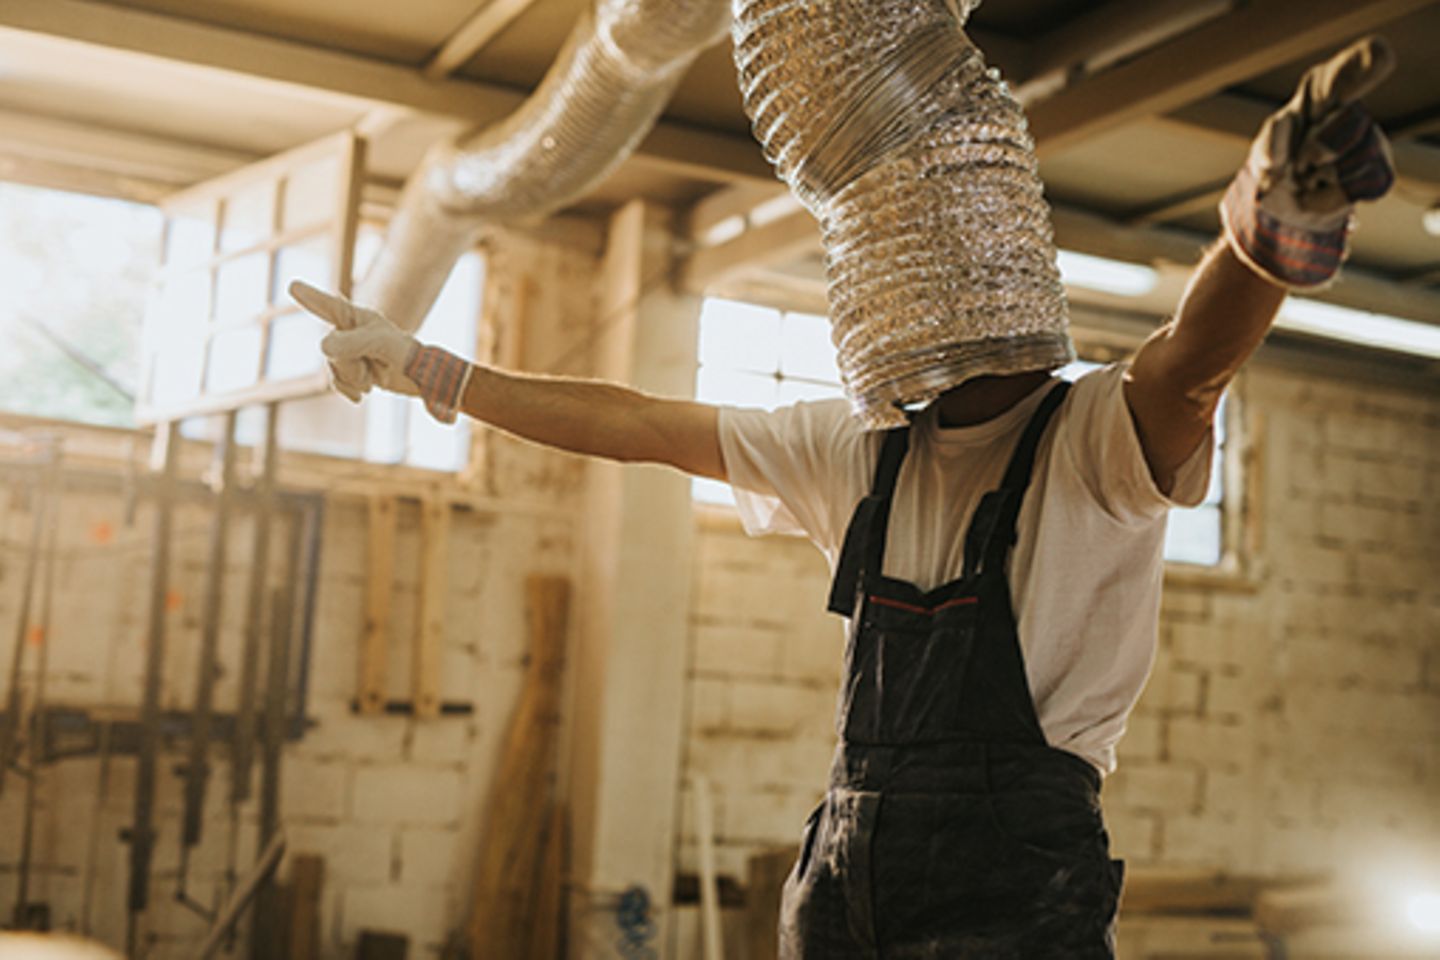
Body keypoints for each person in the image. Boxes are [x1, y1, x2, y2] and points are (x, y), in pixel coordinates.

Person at [291, 36, 1396, 960]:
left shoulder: (1092, 442)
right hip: (845, 891)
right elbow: (634, 424)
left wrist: (1262, 231)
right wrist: (435, 372)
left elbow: (1191, 362)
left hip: (1011, 902)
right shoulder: (862, 449)